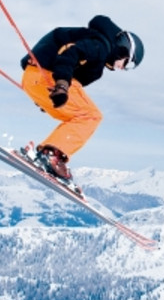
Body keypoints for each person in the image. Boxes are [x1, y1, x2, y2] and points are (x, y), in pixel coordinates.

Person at [17, 15, 144, 190]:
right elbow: (70, 54)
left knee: (77, 117)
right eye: (127, 64)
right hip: (46, 75)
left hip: (35, 79)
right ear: (124, 50)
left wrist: (53, 94)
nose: (121, 69)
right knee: (91, 116)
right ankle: (52, 156)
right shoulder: (100, 45)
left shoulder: (97, 51)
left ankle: (49, 154)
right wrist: (61, 85)